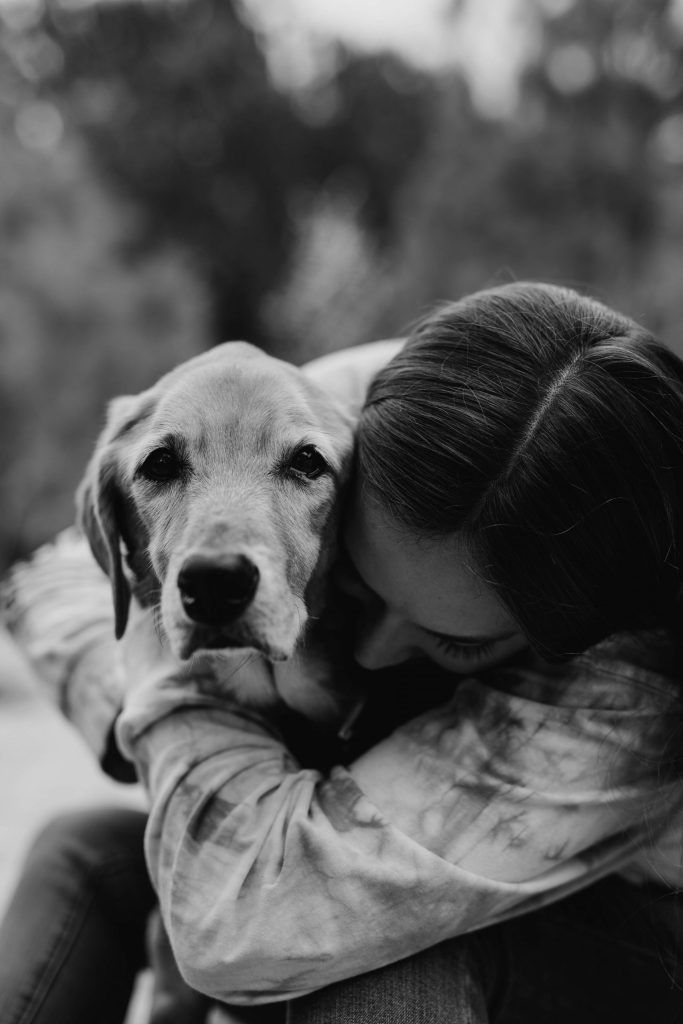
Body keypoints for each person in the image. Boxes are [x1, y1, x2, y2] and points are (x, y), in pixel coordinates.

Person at [1, 281, 683, 1024]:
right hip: (342, 834)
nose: (371, 650)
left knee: (387, 959)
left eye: (454, 640)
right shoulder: (358, 420)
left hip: (627, 943)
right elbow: (46, 576)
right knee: (83, 849)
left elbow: (245, 920)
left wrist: (166, 695)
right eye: (360, 583)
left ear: (571, 637)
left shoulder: (626, 690)